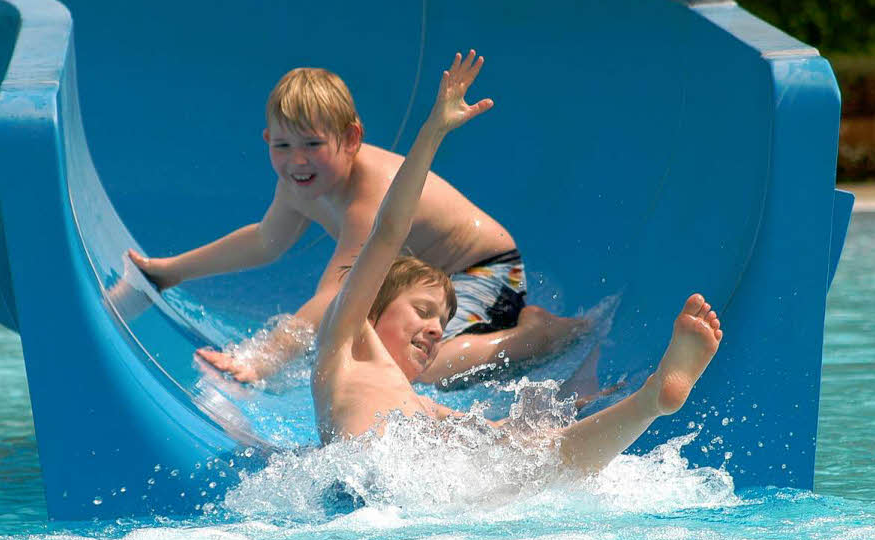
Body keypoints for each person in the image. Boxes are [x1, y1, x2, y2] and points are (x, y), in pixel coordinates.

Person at [313, 50, 722, 476]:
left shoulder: (419, 406)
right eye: (422, 311)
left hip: (408, 492)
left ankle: (649, 401)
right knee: (538, 468)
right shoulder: (343, 341)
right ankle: (647, 405)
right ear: (371, 302)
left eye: (442, 320)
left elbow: (500, 432)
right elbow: (389, 230)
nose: (437, 329)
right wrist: (433, 132)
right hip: (383, 484)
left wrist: (576, 407)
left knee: (538, 452)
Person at [128, 61, 585, 386]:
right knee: (377, 349)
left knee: (426, 368)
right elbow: (266, 241)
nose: (297, 160)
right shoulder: (298, 181)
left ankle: (537, 335)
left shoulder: (371, 194)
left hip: (485, 272)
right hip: (421, 283)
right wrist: (170, 272)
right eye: (282, 146)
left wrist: (265, 357)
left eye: (312, 143)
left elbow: (337, 293)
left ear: (351, 139)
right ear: (267, 140)